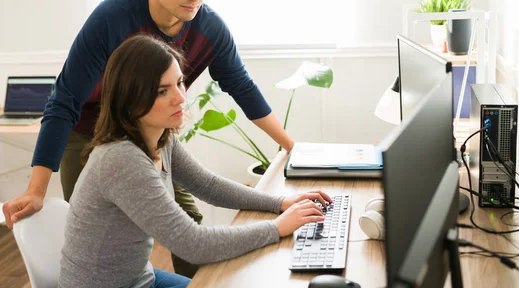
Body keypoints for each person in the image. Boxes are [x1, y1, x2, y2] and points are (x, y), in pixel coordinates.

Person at [2, 0, 294, 277]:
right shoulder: (113, 18)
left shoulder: (209, 27)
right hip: (87, 131)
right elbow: (64, 102)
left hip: (147, 127)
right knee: (100, 231)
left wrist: (291, 147)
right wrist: (36, 191)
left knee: (185, 221)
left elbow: (241, 86)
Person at [59, 35, 330, 288]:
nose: (180, 98)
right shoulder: (121, 159)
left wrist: (280, 203)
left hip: (141, 278)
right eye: (162, 91)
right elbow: (193, 244)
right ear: (130, 99)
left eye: (179, 83)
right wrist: (277, 227)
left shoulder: (161, 138)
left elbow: (208, 185)